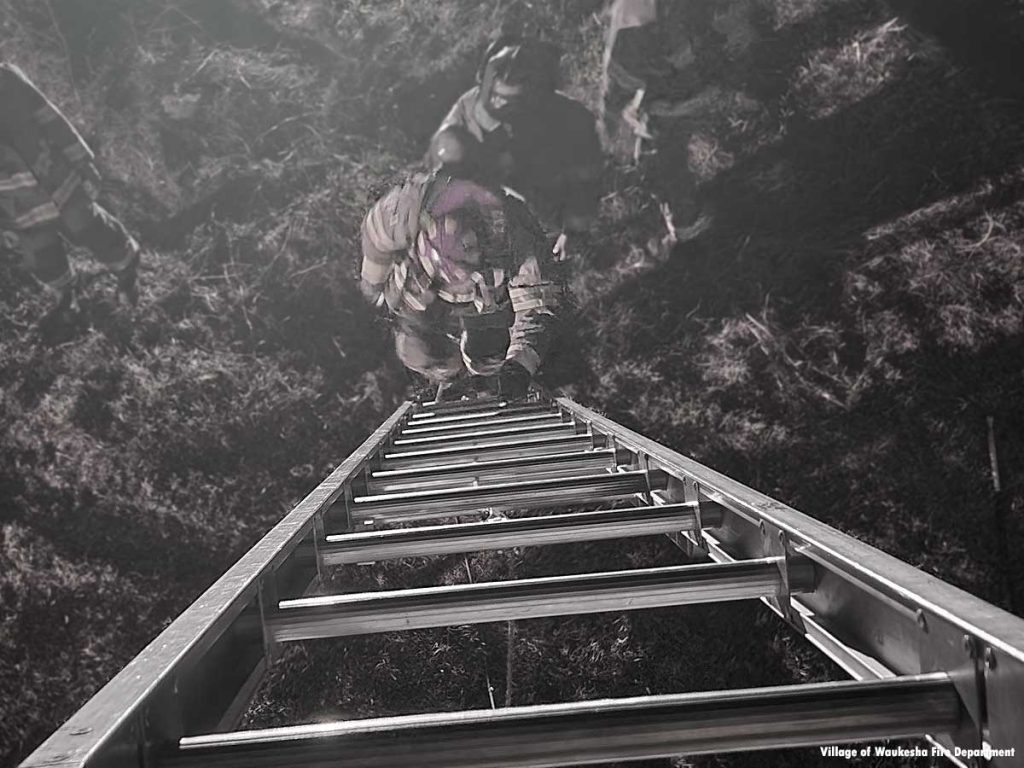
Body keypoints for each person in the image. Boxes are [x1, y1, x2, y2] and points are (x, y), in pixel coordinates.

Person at [359, 169, 558, 400]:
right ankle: (452, 374)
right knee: (416, 347)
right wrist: (373, 282)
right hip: (421, 282)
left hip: (486, 295)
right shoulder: (402, 210)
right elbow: (375, 240)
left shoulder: (517, 236)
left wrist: (519, 366)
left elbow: (537, 308)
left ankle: (484, 369)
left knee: (487, 348)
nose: (453, 277)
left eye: (462, 263)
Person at [426, 34, 603, 260]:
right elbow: (438, 177)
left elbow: (585, 183)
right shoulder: (465, 116)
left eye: (512, 101)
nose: (500, 105)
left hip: (547, 202)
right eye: (496, 96)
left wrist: (573, 233)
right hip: (488, 206)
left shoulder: (572, 122)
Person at [0, 62, 141, 323]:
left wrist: (82, 160)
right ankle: (66, 298)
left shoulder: (7, 78)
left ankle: (127, 271)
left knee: (88, 225)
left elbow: (49, 117)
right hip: (14, 202)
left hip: (55, 176)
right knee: (41, 252)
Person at [601, 0, 761, 229]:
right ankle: (681, 215)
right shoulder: (632, 38)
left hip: (687, 67)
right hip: (670, 87)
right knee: (663, 141)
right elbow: (619, 79)